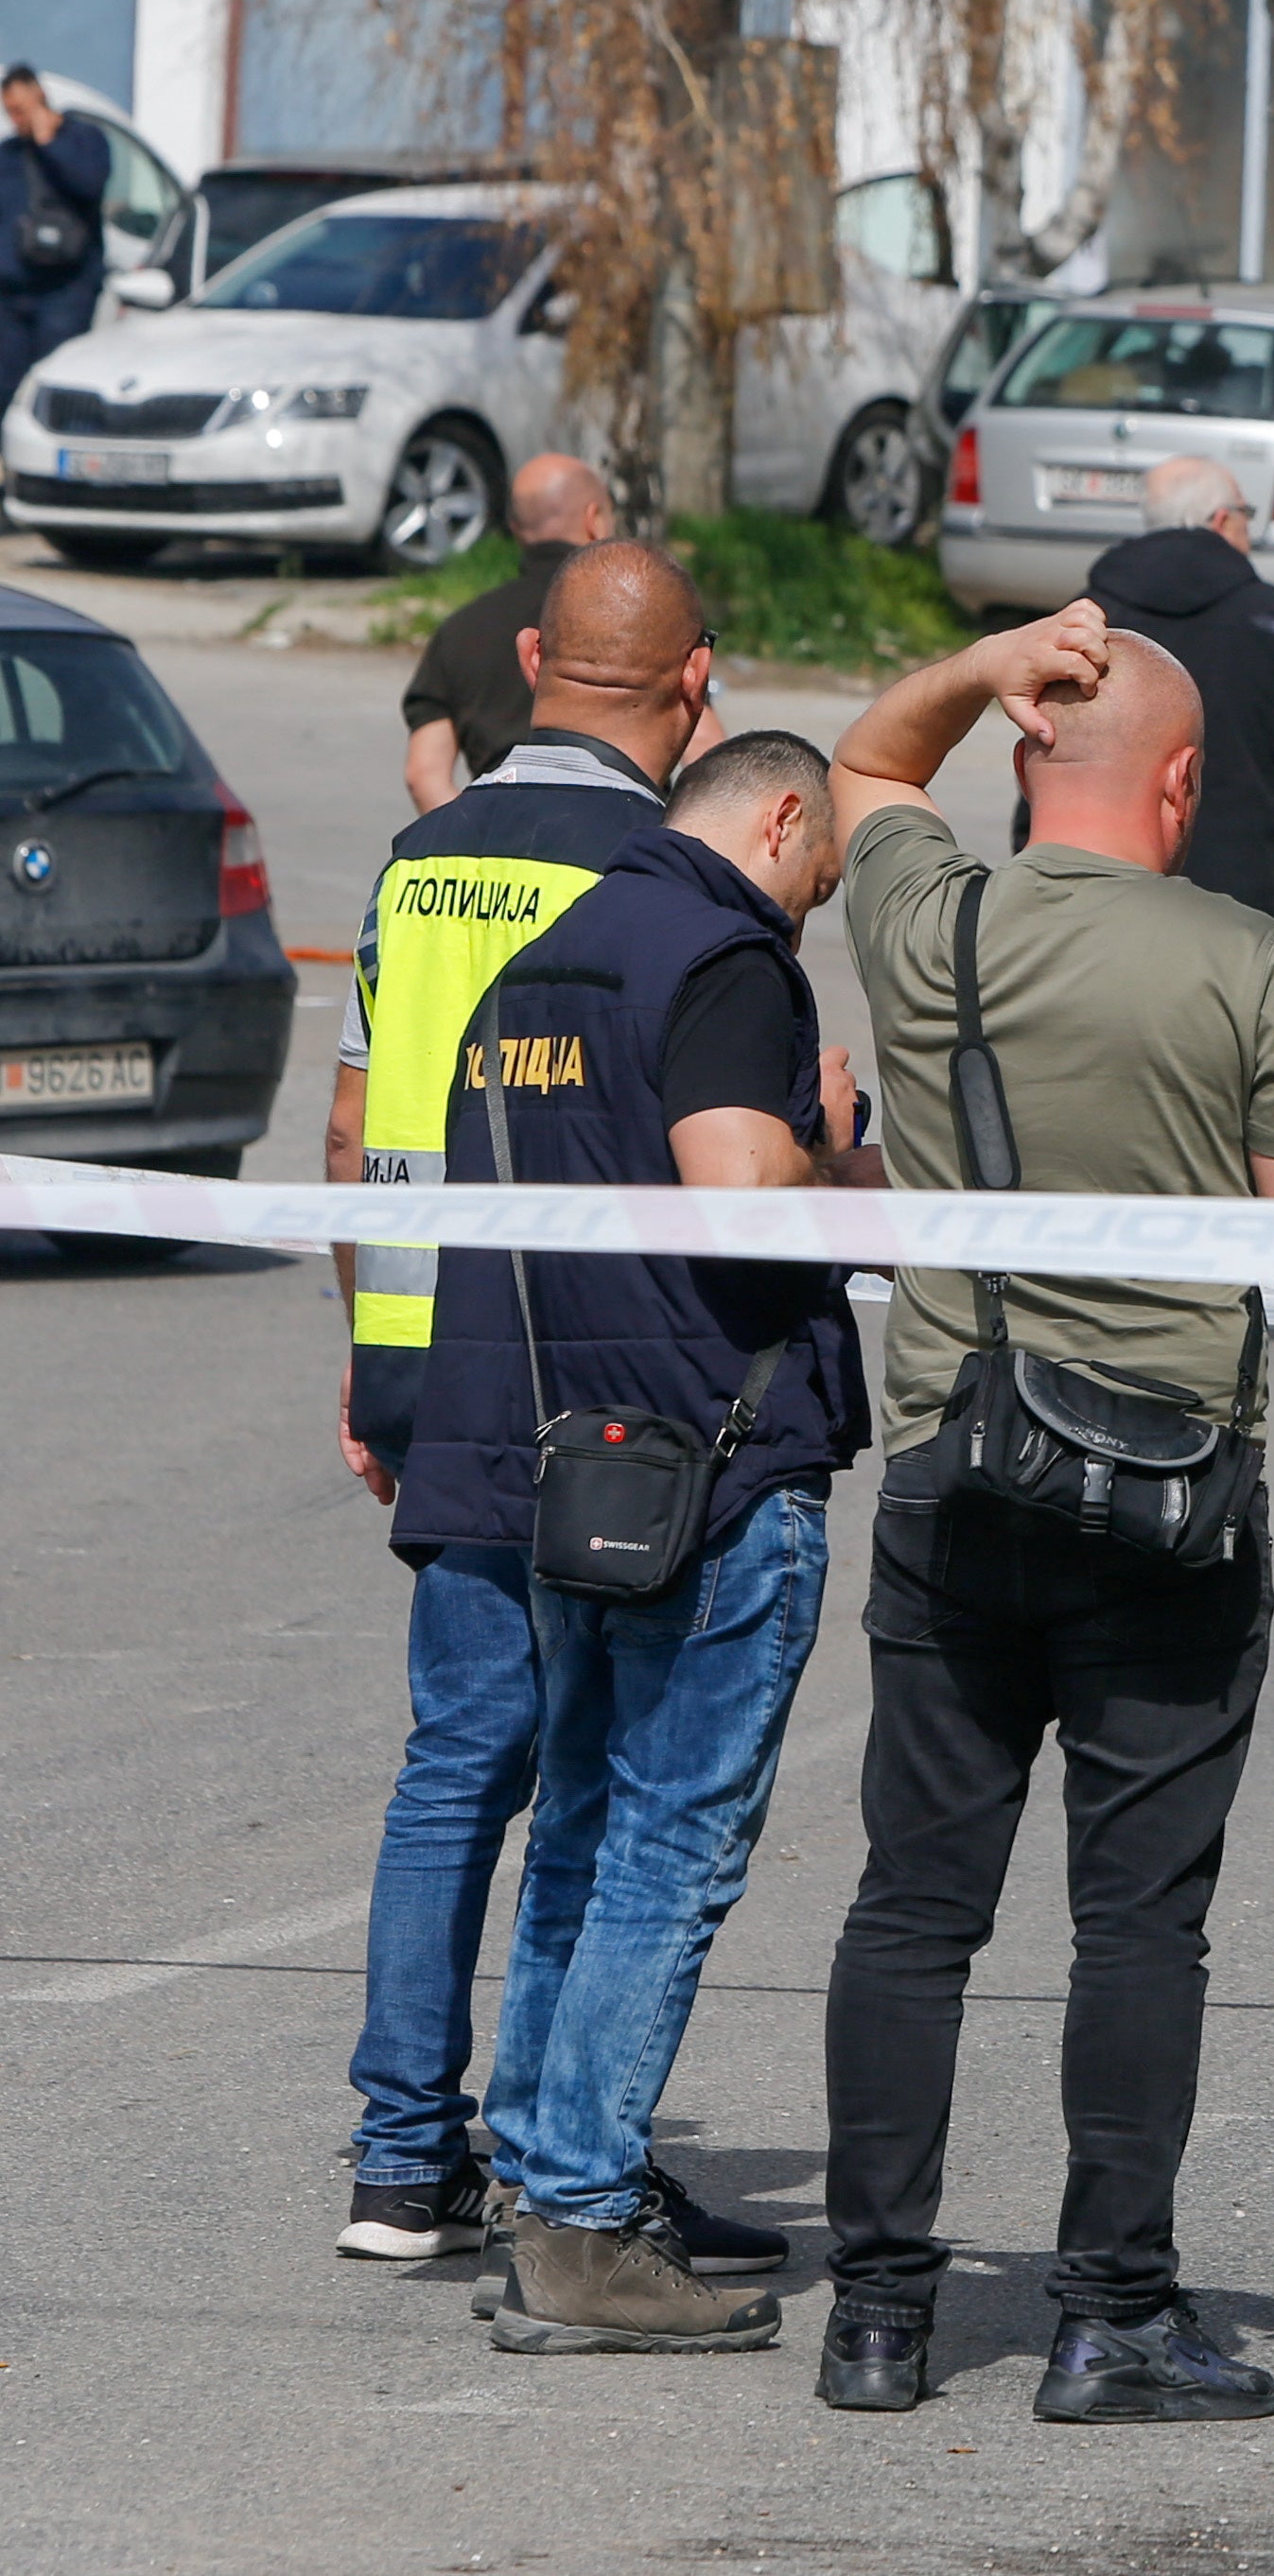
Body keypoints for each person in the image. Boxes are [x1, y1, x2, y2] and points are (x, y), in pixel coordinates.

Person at [812, 605, 1274, 2423]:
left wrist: (990, 656)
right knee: (1140, 1921)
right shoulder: (1244, 958)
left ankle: (880, 2319)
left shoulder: (927, 923)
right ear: (1191, 781)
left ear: (1017, 758)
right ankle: (1109, 2314)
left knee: (914, 1904)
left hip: (956, 1480)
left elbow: (859, 761)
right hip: (1170, 1504)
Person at [393, 732, 877, 2353]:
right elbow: (742, 1191)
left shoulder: (534, 965)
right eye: (820, 865)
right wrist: (841, 1149)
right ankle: (588, 2220)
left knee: (587, 1834)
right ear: (782, 813)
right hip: (714, 1470)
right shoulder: (723, 954)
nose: (817, 899)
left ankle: (542, 2180)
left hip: (570, 1467)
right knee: (669, 1848)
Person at [324, 541, 721, 2267]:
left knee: (452, 1759)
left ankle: (402, 2160)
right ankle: (563, 2146)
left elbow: (351, 1141)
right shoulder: (661, 865)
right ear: (696, 683)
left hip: (441, 1372)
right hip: (614, 1392)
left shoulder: (416, 867)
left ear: (529, 653)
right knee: (598, 1771)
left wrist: (372, 1355)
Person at [1006, 455, 1274, 959]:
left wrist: (1030, 869)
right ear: (1222, 520)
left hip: (1097, 891)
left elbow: (1048, 742)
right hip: (1236, 900)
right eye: (1247, 513)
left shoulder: (1088, 617)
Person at [404, 458, 628, 809]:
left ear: (515, 528)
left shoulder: (460, 631)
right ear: (594, 520)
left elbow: (424, 775)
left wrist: (473, 845)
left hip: (501, 836)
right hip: (624, 837)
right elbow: (703, 747)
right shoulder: (636, 621)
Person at [0, 64, 109, 422]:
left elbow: (89, 184)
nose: (17, 119)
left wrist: (51, 143)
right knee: (8, 390)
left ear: (41, 98)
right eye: (10, 111)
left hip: (66, 293)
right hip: (13, 297)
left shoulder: (84, 141)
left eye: (21, 110)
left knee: (56, 389)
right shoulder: (9, 156)